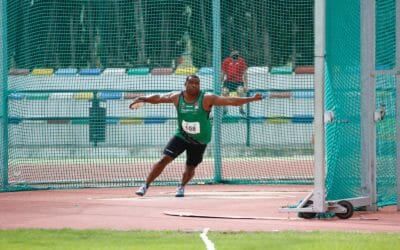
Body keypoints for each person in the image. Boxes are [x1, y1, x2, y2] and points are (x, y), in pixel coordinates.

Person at [130, 75, 263, 197]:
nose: (194, 85)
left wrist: (251, 98)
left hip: (200, 140)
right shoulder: (177, 97)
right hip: (182, 135)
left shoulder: (206, 98)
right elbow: (159, 98)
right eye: (191, 83)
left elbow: (229, 100)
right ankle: (145, 186)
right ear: (185, 84)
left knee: (190, 168)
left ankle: (181, 186)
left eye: (197, 83)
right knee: (164, 159)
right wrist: (143, 98)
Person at [221, 50, 248, 115]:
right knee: (224, 91)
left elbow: (245, 73)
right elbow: (223, 73)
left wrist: (246, 86)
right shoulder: (226, 61)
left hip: (238, 81)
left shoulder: (241, 61)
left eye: (237, 55)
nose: (235, 56)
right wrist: (219, 84)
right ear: (231, 55)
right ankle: (225, 109)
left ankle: (241, 109)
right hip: (228, 81)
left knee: (241, 91)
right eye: (234, 55)